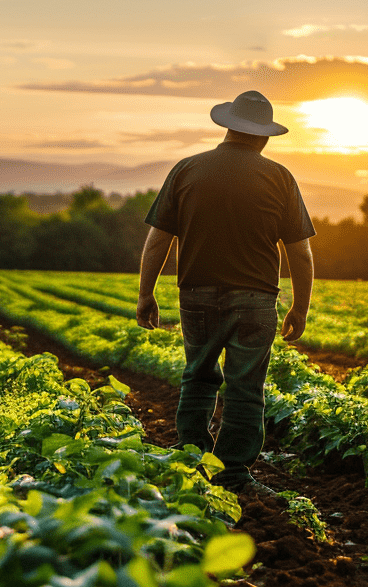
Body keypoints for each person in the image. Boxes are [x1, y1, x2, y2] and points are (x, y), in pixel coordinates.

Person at [136, 90, 315, 494]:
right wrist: (300, 307)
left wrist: (146, 294)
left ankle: (191, 459)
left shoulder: (186, 170)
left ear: (228, 126)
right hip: (256, 300)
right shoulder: (280, 177)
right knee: (245, 386)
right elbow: (300, 254)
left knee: (197, 377)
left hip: (196, 294)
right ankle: (234, 473)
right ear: (264, 137)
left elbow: (157, 241)